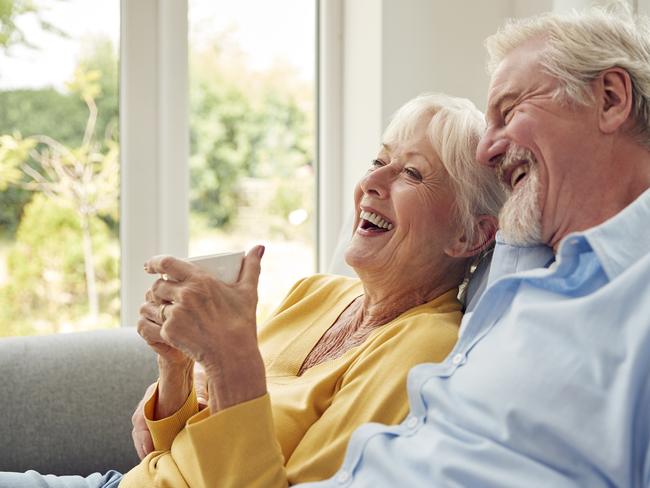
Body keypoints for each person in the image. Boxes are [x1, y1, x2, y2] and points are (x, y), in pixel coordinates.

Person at [0, 93, 504, 487]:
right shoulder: (317, 293)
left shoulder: (425, 347)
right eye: (378, 162)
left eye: (412, 173)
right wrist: (175, 364)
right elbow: (172, 454)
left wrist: (228, 359)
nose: (373, 183)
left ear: (469, 236)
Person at [292, 3, 649, 487]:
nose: (487, 149)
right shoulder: (525, 258)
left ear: (609, 98)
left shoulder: (632, 300)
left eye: (510, 111)